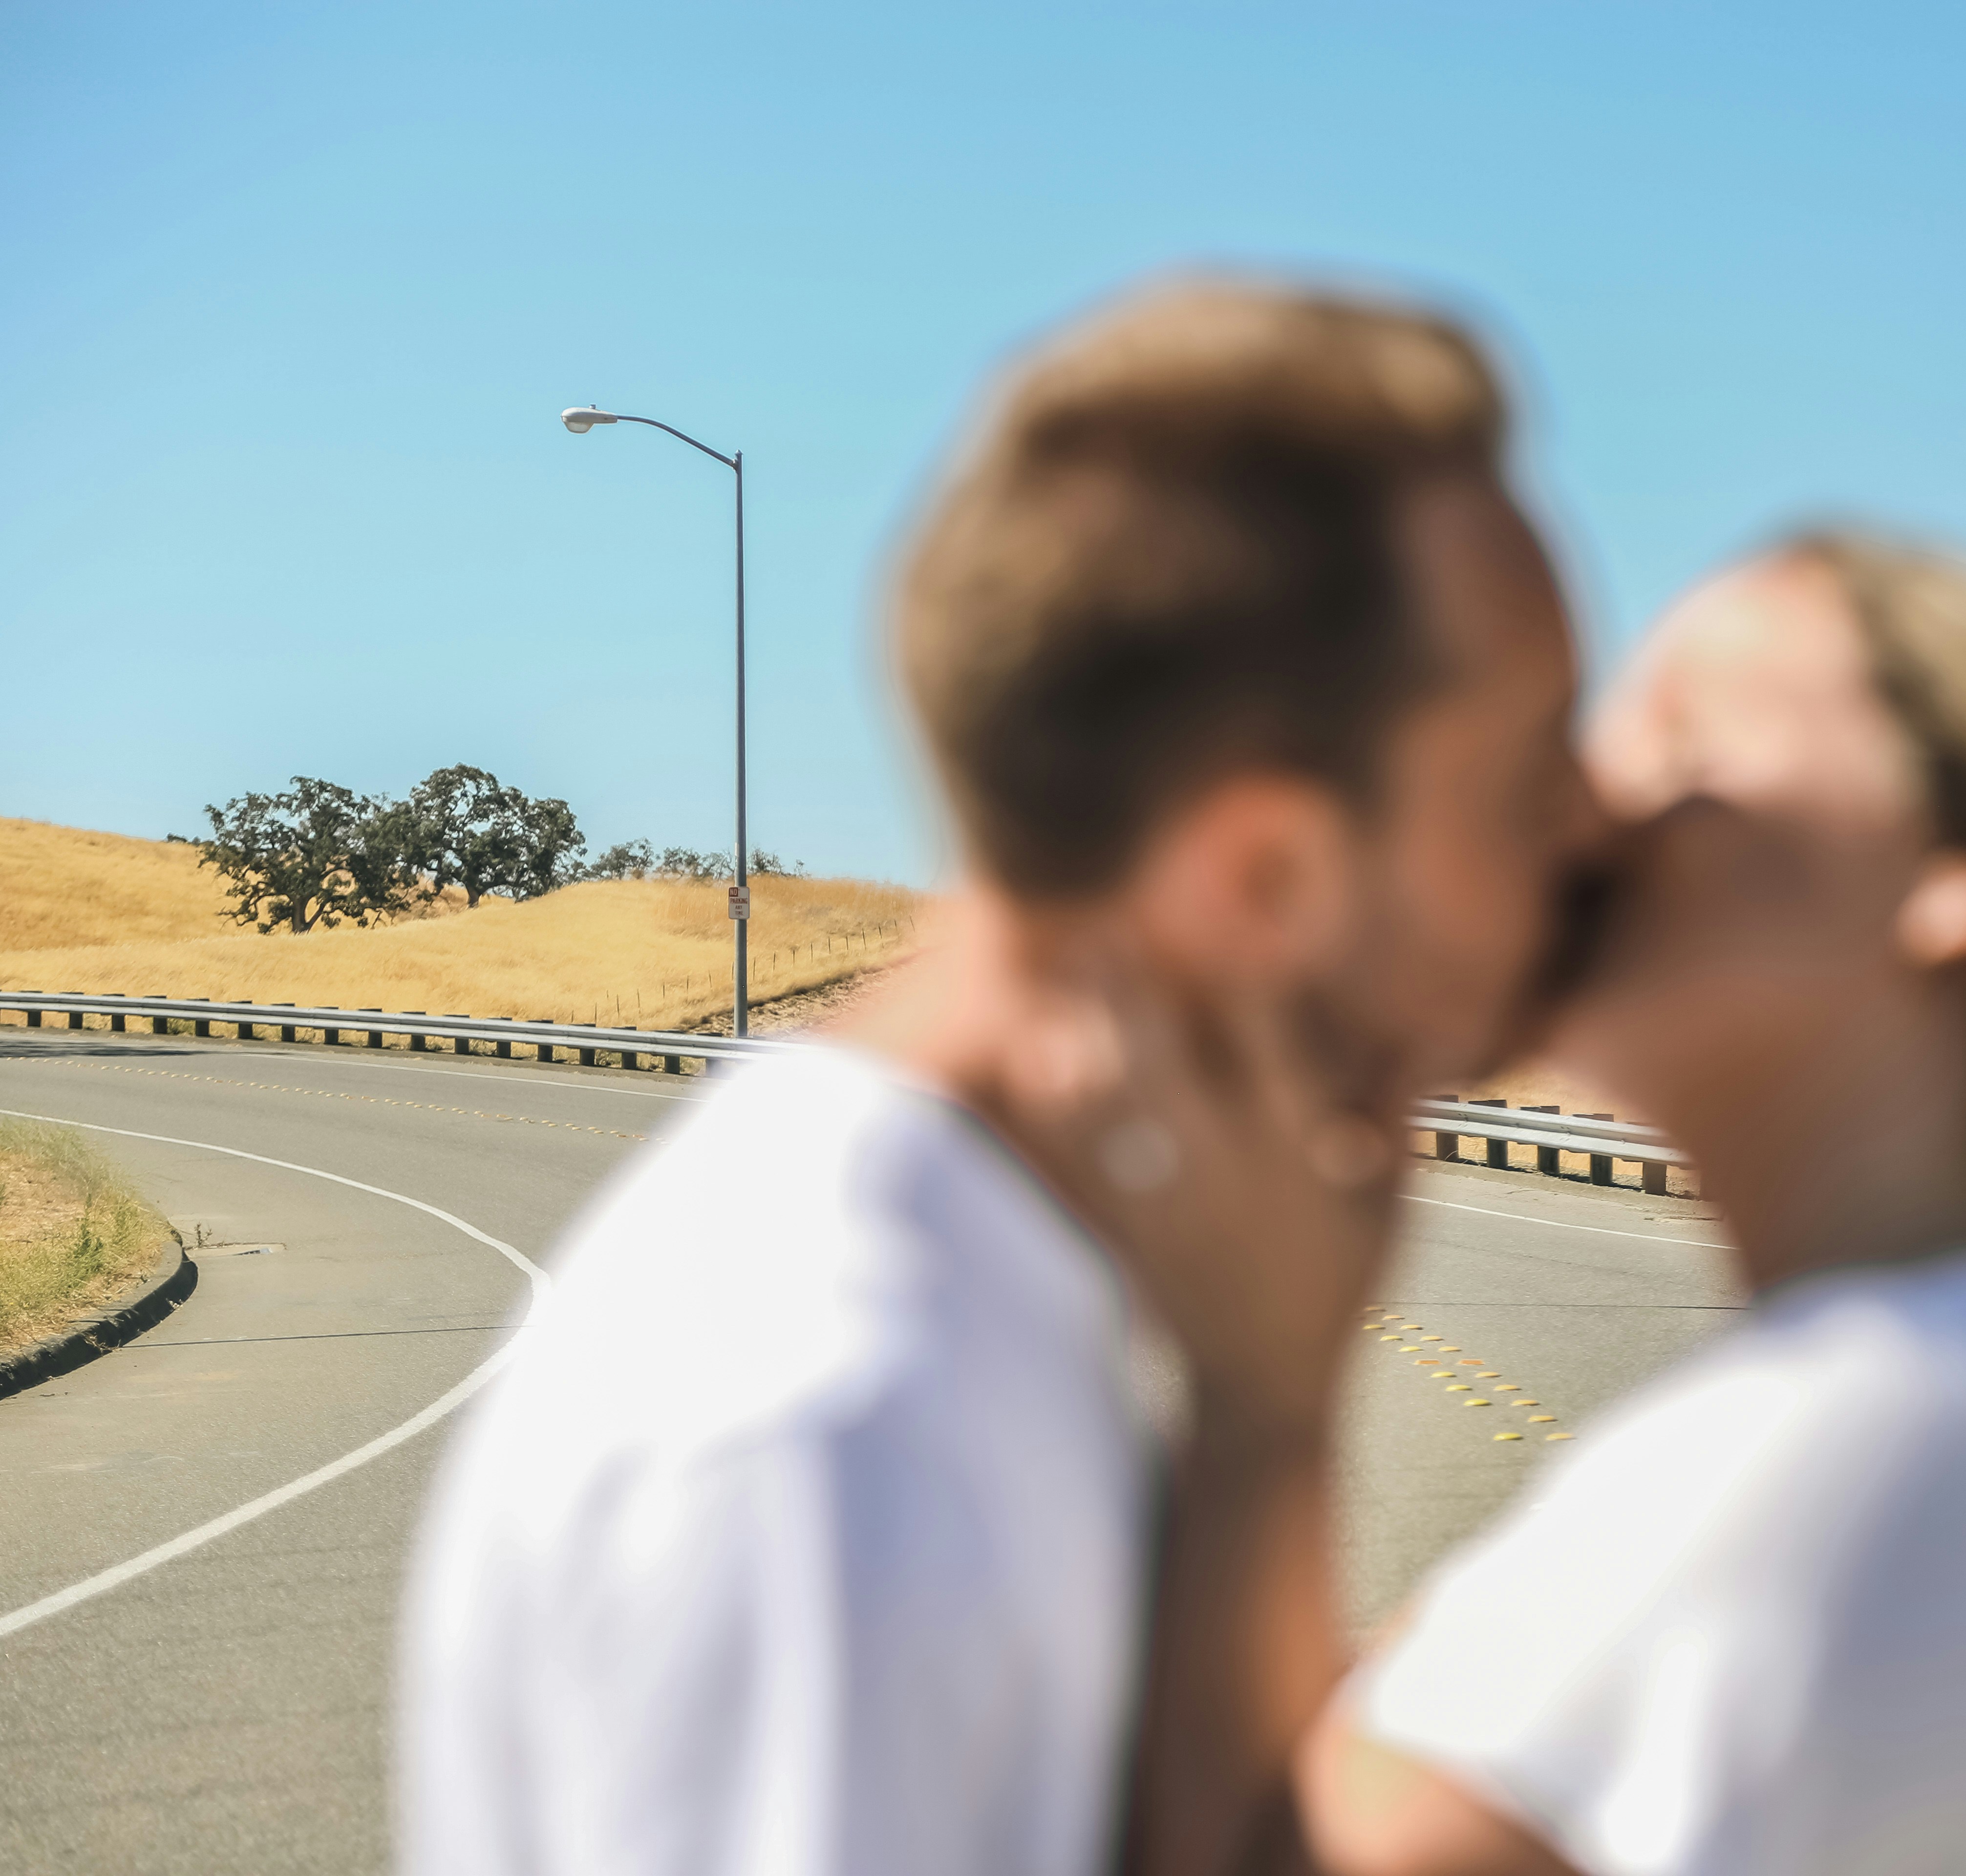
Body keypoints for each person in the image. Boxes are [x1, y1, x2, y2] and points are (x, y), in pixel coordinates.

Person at [396, 279, 1599, 1876]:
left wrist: (1269, 1417)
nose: (1598, 832)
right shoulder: (829, 1439)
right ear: (1262, 876)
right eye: (1534, 772)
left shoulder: (971, 1279)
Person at [1136, 533, 1966, 1876]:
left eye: (1676, 741)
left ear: (1957, 870)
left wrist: (1260, 1391)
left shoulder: (1896, 1418)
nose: (1583, 811)